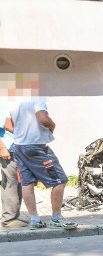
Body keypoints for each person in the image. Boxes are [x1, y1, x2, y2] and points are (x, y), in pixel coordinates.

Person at [7, 76, 77, 230]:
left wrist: (22, 134)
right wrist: (52, 126)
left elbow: (8, 125)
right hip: (36, 146)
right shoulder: (36, 97)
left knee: (27, 183)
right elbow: (43, 119)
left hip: (19, 146)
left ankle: (35, 220)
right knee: (60, 180)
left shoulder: (13, 101)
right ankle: (56, 218)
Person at [0, 96, 29, 228]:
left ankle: (13, 215)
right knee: (11, 182)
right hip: (8, 148)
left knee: (15, 182)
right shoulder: (4, 102)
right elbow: (5, 126)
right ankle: (8, 219)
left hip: (13, 147)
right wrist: (2, 148)